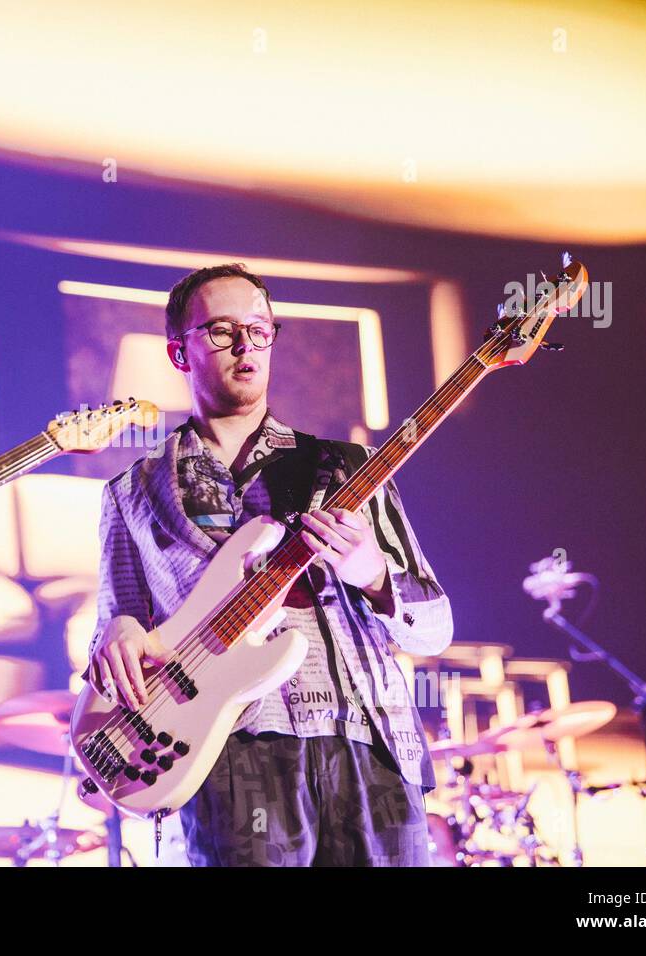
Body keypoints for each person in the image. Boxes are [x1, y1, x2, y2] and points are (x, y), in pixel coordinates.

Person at [88, 263, 453, 866]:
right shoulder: (131, 493)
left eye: (259, 330)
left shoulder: (347, 468)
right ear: (180, 352)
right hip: (229, 750)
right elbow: (116, 631)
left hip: (368, 740)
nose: (245, 346)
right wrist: (117, 632)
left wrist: (373, 573)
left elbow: (437, 628)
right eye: (221, 331)